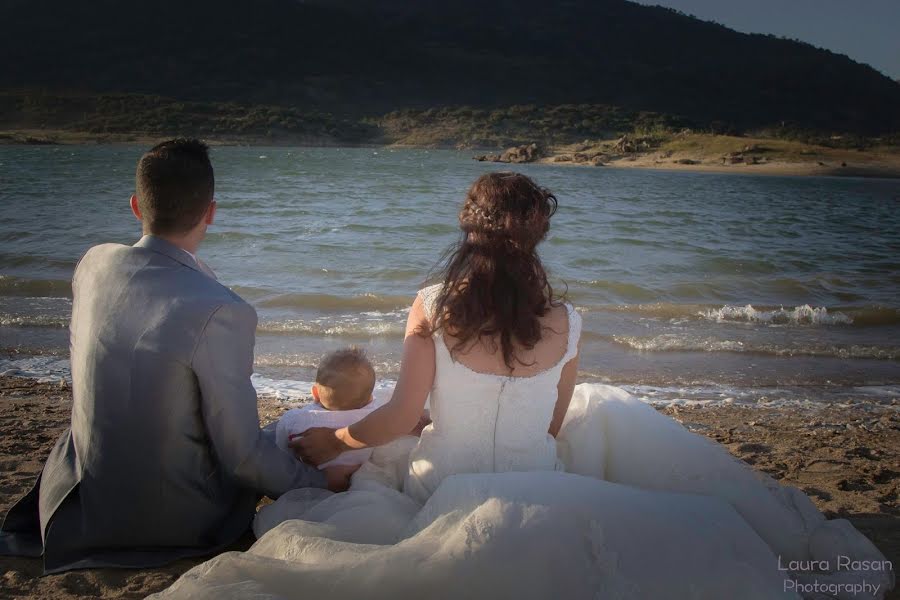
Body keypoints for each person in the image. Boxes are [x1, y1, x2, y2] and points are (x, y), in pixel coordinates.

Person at [154, 172, 894, 599]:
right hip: (541, 476)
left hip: (444, 488)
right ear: (537, 237)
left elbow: (403, 417)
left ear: (468, 232)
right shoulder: (568, 320)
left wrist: (335, 438)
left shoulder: (433, 306)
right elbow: (550, 428)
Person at [0, 138, 354, 574]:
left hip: (77, 499)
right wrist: (317, 483)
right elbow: (241, 456)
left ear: (135, 206)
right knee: (277, 436)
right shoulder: (222, 308)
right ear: (211, 212)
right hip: (172, 521)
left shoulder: (93, 265)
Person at [275, 347, 382, 469]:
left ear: (315, 393)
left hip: (305, 478)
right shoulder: (373, 420)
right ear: (370, 399)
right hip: (355, 474)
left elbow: (281, 449)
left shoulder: (293, 419)